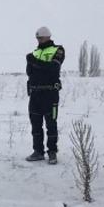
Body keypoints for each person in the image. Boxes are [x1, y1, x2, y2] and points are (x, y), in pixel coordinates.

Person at [25, 26, 65, 164]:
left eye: (41, 38)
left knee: (51, 124)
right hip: (35, 94)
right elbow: (30, 72)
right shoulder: (35, 53)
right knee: (35, 125)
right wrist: (39, 67)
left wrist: (35, 63)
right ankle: (38, 151)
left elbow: (53, 68)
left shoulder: (58, 50)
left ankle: (52, 152)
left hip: (50, 94)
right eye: (37, 38)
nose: (39, 40)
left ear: (48, 37)